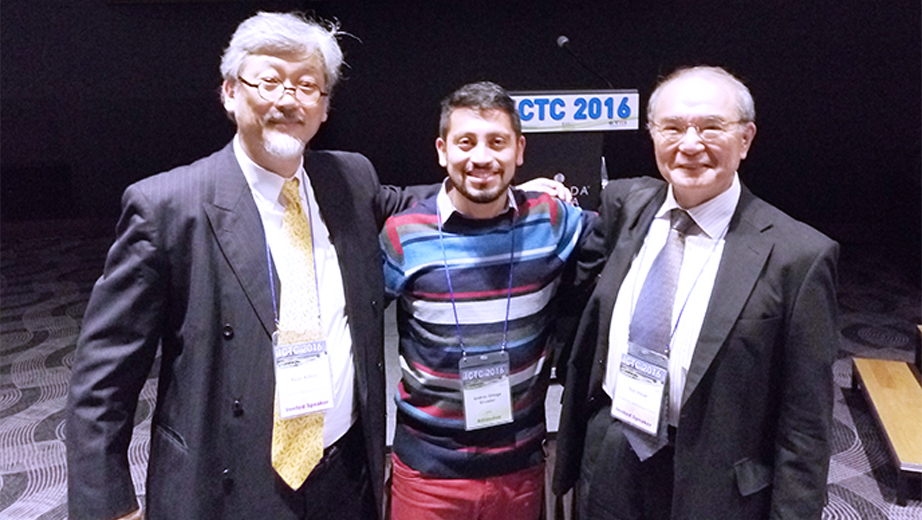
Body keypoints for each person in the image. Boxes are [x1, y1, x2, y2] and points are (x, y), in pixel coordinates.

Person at [65, 12, 435, 520]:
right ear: (230, 92)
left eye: (307, 86)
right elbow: (102, 376)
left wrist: (508, 190)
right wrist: (110, 505)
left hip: (346, 474)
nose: (287, 99)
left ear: (323, 109)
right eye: (269, 81)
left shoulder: (350, 177)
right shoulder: (169, 207)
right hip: (227, 483)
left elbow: (413, 202)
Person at [552, 66, 839, 519]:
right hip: (611, 453)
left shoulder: (798, 256)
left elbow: (805, 422)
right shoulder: (627, 207)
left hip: (715, 481)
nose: (690, 144)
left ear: (745, 139)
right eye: (672, 128)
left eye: (711, 127)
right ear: (652, 135)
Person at [379, 81, 594, 520]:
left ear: (519, 150)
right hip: (428, 472)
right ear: (442, 151)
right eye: (465, 142)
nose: (481, 157)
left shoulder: (552, 220)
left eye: (497, 142)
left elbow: (623, 236)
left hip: (519, 467)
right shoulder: (404, 234)